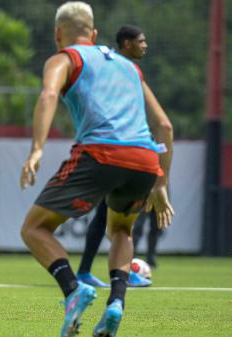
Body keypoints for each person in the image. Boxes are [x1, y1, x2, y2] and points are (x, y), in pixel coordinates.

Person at [19, 3, 174, 337]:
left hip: (100, 154)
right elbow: (164, 125)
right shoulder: (129, 67)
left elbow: (47, 95)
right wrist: (161, 185)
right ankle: (116, 304)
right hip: (145, 161)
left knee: (34, 228)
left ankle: (73, 290)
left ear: (58, 34)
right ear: (95, 33)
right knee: (121, 231)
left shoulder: (64, 58)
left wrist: (36, 149)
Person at [76, 25, 170, 288]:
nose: (145, 45)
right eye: (141, 41)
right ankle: (118, 274)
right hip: (118, 148)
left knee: (105, 212)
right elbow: (164, 125)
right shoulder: (120, 71)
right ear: (126, 44)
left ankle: (86, 271)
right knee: (120, 218)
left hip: (115, 147)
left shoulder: (124, 70)